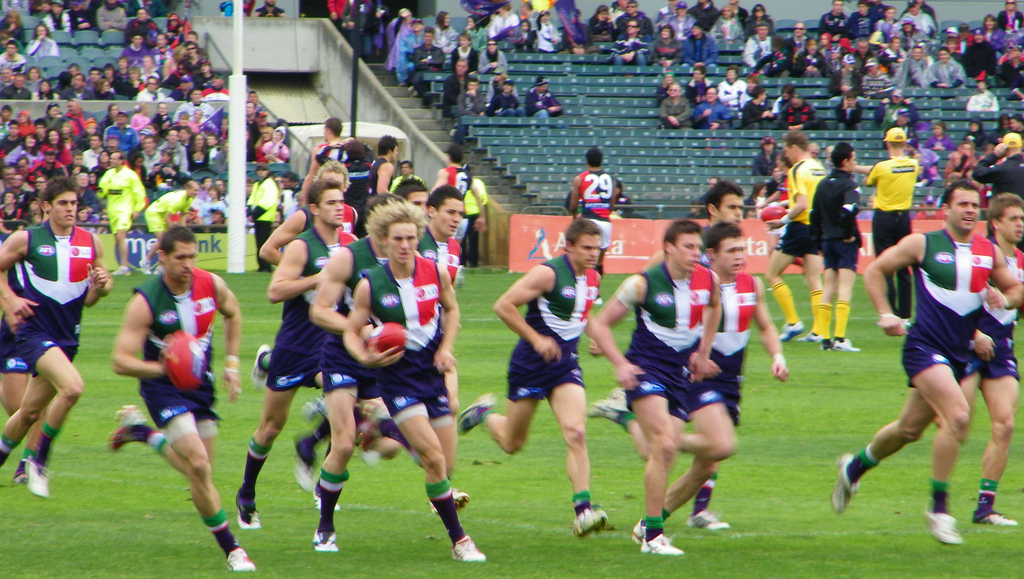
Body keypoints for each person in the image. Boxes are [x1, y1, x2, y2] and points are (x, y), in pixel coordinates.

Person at [831, 180, 1023, 545]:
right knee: (958, 417)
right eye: (962, 204)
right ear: (945, 209)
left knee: (908, 429)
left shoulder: (987, 251)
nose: (970, 210)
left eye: (974, 205)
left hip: (961, 353)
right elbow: (874, 271)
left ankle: (854, 466)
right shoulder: (923, 243)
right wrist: (886, 313)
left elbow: (1016, 289)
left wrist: (1005, 299)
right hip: (924, 347)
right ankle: (939, 509)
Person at [342, 199, 485, 562]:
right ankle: (461, 541)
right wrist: (364, 356)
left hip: (431, 372)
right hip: (397, 377)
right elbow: (350, 328)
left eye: (410, 238)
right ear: (383, 240)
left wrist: (446, 348)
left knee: (442, 466)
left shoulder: (436, 271)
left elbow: (452, 310)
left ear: (418, 237)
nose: (405, 245)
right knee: (434, 458)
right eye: (397, 239)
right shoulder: (370, 284)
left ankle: (381, 427)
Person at [108, 226, 255, 571]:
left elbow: (233, 313)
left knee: (201, 475)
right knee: (199, 465)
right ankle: (233, 550)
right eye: (180, 258)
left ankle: (142, 433)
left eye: (192, 256)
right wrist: (165, 367)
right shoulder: (145, 301)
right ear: (162, 257)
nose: (188, 264)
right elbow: (120, 360)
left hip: (200, 386)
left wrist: (232, 364)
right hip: (162, 386)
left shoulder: (211, 284)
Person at [459, 217, 610, 538]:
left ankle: (583, 511)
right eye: (586, 248)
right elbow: (503, 305)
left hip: (565, 366)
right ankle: (484, 414)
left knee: (576, 432)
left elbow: (584, 313)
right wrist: (536, 338)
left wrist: (596, 337)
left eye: (597, 248)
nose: (593, 254)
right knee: (513, 444)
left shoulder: (594, 277)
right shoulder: (548, 273)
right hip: (530, 364)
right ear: (568, 246)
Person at [586, 219, 720, 555]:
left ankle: (623, 417)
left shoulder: (708, 279)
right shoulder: (643, 284)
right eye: (688, 246)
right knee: (663, 446)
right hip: (646, 368)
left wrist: (702, 353)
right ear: (669, 248)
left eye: (698, 247)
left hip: (679, 373)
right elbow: (599, 324)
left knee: (664, 449)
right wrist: (621, 364)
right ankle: (653, 536)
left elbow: (714, 307)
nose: (696, 253)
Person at [234, 180, 356, 530]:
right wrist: (317, 279)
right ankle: (247, 492)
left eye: (342, 202)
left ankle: (323, 482)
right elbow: (275, 290)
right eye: (331, 202)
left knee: (354, 407)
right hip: (295, 346)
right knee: (271, 427)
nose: (339, 208)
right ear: (313, 209)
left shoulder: (350, 245)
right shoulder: (302, 247)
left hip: (330, 349)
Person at [0, 176, 111, 499]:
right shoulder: (26, 239)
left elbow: (91, 298)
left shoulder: (91, 243)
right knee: (73, 387)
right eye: (63, 203)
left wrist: (101, 286)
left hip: (67, 337)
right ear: (46, 206)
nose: (70, 209)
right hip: (33, 332)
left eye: (74, 203)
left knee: (29, 413)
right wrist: (11, 301)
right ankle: (39, 460)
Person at [961, 193, 1024, 527]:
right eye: (1014, 218)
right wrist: (973, 335)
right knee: (955, 425)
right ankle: (938, 503)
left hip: (1001, 350)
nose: (1020, 225)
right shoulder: (978, 255)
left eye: (1022, 219)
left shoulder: (1022, 263)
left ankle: (985, 507)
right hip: (966, 344)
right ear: (996, 222)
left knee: (1005, 425)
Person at [765, 130, 828, 343]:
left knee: (772, 274)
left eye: (785, 149)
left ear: (793, 147)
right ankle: (819, 331)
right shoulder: (819, 168)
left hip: (800, 226)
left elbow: (801, 204)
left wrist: (782, 221)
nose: (786, 155)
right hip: (817, 227)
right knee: (814, 279)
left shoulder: (797, 170)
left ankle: (793, 322)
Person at [809, 143, 862, 352]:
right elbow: (849, 209)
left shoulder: (822, 184)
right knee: (845, 288)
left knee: (828, 288)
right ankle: (840, 338)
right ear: (846, 161)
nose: (855, 164)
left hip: (828, 241)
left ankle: (824, 338)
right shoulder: (849, 185)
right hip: (844, 242)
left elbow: (814, 215)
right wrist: (849, 234)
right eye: (854, 159)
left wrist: (818, 240)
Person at [865, 127, 921, 321]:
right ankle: (905, 316)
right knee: (904, 267)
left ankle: (889, 313)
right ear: (904, 143)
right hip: (903, 218)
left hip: (884, 218)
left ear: (887, 143)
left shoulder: (881, 167)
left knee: (884, 265)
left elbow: (868, 180)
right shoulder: (913, 164)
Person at [567, 148, 618, 277]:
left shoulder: (580, 178)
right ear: (601, 161)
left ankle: (580, 285)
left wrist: (575, 217)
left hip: (588, 220)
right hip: (605, 222)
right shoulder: (611, 180)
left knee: (582, 259)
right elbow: (611, 205)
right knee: (599, 261)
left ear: (586, 161)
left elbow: (573, 204)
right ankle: (596, 290)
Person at [98, 150, 147, 276]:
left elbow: (139, 193)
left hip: (125, 210)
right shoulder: (108, 174)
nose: (111, 161)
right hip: (112, 210)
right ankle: (122, 265)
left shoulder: (130, 175)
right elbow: (102, 191)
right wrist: (100, 190)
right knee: (117, 237)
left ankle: (124, 266)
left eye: (114, 159)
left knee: (120, 235)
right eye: (111, 158)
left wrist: (137, 208)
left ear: (121, 161)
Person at [140, 181, 200, 275]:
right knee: (164, 241)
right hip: (154, 214)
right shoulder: (179, 200)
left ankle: (158, 265)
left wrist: (182, 233)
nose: (196, 193)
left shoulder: (188, 199)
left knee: (163, 241)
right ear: (187, 189)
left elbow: (183, 216)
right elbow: (167, 218)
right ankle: (149, 263)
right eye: (194, 190)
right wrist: (174, 233)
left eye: (198, 191)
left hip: (162, 214)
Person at [247, 164, 280, 273]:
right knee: (258, 243)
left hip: (265, 217)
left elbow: (267, 202)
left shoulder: (270, 184)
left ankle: (266, 266)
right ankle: (261, 265)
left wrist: (254, 213)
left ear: (267, 171)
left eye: (263, 170)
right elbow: (252, 199)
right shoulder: (257, 184)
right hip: (258, 217)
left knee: (264, 242)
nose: (261, 172)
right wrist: (250, 212)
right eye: (259, 170)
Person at [972, 132, 1024, 199]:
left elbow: (977, 173)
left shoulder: (1000, 169)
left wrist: (994, 155)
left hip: (1004, 207)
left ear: (1003, 147)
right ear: (1022, 146)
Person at [411, 27, 445, 108]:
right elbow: (418, 63)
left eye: (430, 36)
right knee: (416, 80)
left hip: (435, 71)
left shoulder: (438, 50)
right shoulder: (418, 50)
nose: (428, 38)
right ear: (424, 37)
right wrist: (430, 65)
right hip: (423, 71)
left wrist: (428, 61)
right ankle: (428, 99)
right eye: (426, 36)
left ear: (433, 37)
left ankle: (427, 101)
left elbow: (440, 61)